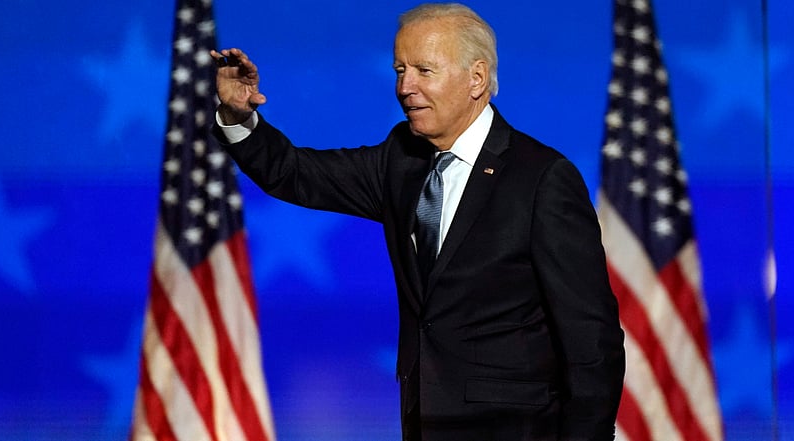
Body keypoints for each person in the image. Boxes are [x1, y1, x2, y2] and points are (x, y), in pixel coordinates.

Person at [211, 3, 625, 440]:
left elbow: (590, 338)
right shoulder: (401, 159)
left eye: (424, 70)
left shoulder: (542, 178)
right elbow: (295, 173)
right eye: (399, 69)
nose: (405, 87)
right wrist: (240, 118)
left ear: (477, 78)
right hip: (422, 422)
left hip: (516, 428)